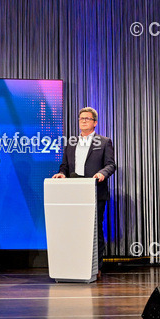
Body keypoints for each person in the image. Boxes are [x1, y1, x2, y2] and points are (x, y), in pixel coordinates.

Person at [53, 107, 116, 274]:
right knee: (74, 230)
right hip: (73, 194)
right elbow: (65, 166)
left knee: (94, 230)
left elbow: (111, 164)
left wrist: (102, 173)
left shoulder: (104, 142)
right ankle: (76, 264)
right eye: (81, 118)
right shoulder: (71, 142)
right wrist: (61, 174)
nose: (83, 121)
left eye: (87, 119)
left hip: (95, 192)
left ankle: (96, 267)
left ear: (95, 122)